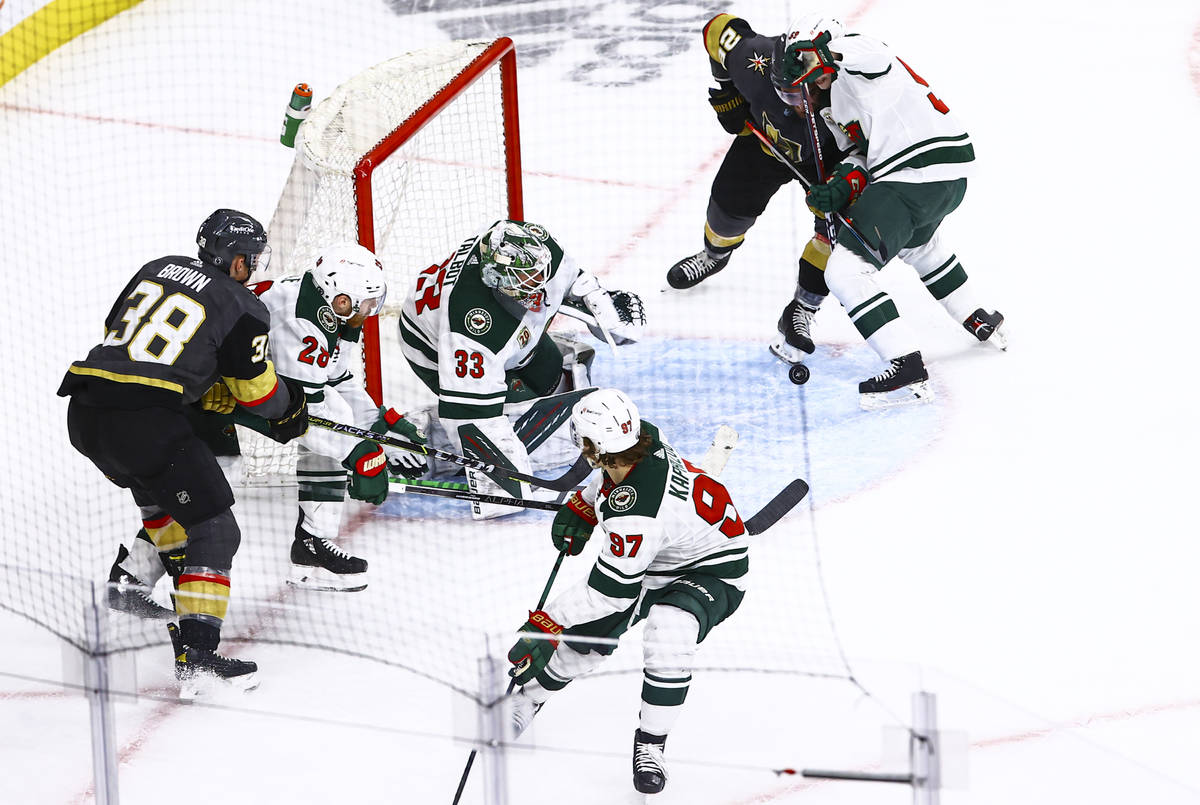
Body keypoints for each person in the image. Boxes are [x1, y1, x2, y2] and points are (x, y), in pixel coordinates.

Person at [58, 209, 309, 697]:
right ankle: (196, 654)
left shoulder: (156, 267)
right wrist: (290, 406)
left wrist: (197, 384)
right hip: (146, 422)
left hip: (87, 413)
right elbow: (258, 394)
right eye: (251, 258)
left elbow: (130, 338)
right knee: (216, 530)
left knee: (163, 501)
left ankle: (137, 583)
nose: (253, 266)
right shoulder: (244, 305)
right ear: (237, 262)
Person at [505, 388, 748, 795]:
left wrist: (547, 622)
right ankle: (529, 699)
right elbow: (612, 474)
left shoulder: (635, 516)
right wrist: (584, 504)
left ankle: (651, 745)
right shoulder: (644, 438)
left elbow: (610, 592)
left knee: (670, 631)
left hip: (714, 568)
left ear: (592, 446)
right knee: (591, 633)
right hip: (661, 552)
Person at [771, 14, 1007, 407]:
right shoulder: (832, 107)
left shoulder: (858, 63)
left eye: (805, 80)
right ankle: (977, 317)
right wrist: (840, 186)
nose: (805, 95)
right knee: (921, 246)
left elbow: (873, 52)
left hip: (917, 173)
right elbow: (860, 155)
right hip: (941, 179)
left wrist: (823, 49)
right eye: (793, 92)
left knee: (845, 270)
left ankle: (904, 362)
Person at [399, 219, 646, 518]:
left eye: (536, 276)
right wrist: (503, 481)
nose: (537, 288)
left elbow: (573, 279)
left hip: (484, 323)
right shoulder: (472, 329)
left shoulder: (533, 245)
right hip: (432, 345)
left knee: (553, 375)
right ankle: (411, 437)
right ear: (496, 280)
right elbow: (469, 415)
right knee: (525, 433)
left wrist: (600, 303)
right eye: (525, 282)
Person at [666, 12, 848, 366]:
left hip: (826, 163)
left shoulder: (856, 97)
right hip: (765, 145)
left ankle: (802, 309)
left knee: (832, 230)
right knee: (725, 212)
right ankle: (715, 256)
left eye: (802, 95)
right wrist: (727, 90)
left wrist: (846, 183)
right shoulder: (756, 58)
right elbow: (717, 28)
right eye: (786, 94)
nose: (795, 105)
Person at [246, 242, 427, 591]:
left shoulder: (336, 310)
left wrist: (378, 424)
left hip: (247, 383)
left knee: (337, 421)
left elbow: (337, 379)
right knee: (203, 493)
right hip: (206, 390)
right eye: (365, 303)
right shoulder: (301, 318)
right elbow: (308, 416)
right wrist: (362, 454)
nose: (370, 311)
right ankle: (139, 575)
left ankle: (312, 543)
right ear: (340, 297)